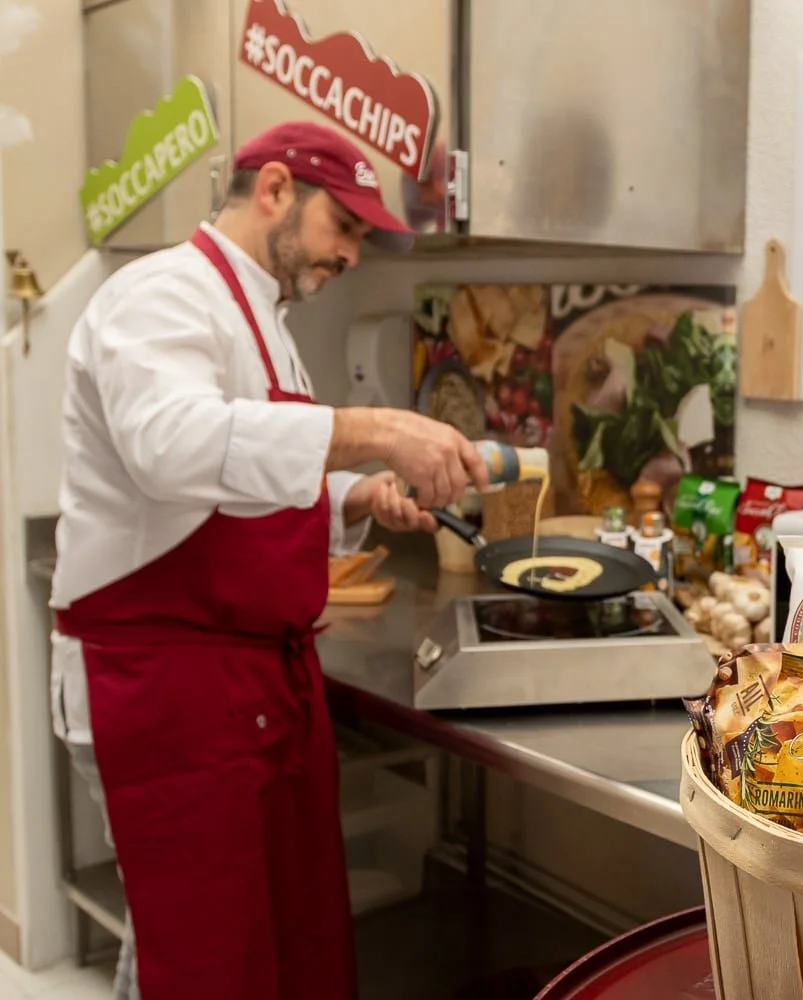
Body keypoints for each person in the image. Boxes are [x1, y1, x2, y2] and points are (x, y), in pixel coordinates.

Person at [47, 121, 487, 1000]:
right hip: (164, 679)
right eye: (346, 226)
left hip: (246, 682)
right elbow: (171, 449)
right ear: (276, 190)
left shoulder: (266, 320)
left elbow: (230, 494)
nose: (355, 254)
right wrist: (380, 429)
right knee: (201, 959)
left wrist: (352, 496)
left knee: (277, 950)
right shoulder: (162, 295)